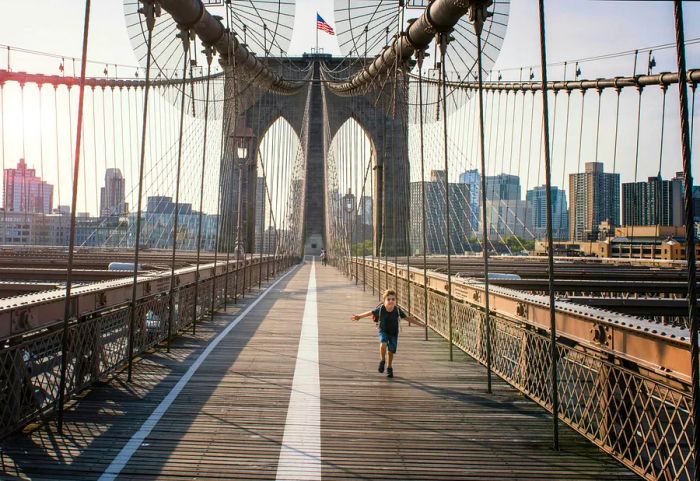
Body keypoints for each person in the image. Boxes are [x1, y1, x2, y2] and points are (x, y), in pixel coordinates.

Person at [351, 289, 414, 378]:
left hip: (394, 333)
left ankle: (389, 367)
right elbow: (370, 312)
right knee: (383, 343)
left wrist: (422, 325)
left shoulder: (397, 310)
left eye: (393, 299)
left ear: (396, 301)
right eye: (388, 299)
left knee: (391, 352)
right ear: (384, 301)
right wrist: (359, 317)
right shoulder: (381, 309)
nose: (391, 301)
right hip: (383, 330)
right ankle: (382, 361)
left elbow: (407, 318)